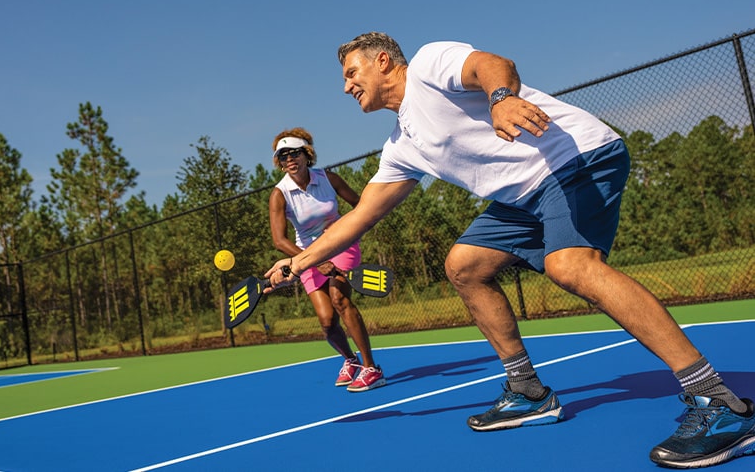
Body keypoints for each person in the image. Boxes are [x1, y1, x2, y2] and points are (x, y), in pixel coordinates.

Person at [265, 32, 754, 468]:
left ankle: (720, 404)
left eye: (353, 73)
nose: (347, 86)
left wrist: (500, 98)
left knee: (571, 266)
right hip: (523, 195)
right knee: (464, 265)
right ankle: (528, 392)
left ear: (385, 62)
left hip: (575, 159)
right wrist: (298, 260)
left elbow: (492, 65)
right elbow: (359, 216)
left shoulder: (431, 66)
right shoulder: (401, 145)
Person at [269, 127, 385, 392]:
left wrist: (342, 227)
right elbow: (279, 240)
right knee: (326, 320)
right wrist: (312, 260)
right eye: (283, 156)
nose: (289, 159)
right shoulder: (279, 194)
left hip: (341, 243)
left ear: (307, 154)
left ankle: (371, 367)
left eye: (294, 153)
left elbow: (360, 204)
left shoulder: (328, 178)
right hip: (305, 254)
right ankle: (350, 360)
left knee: (340, 299)